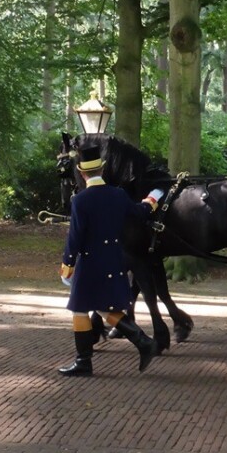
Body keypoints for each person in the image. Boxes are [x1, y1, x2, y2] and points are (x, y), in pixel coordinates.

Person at [57, 145, 164, 377]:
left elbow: (75, 237)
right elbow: (140, 212)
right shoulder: (118, 195)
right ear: (102, 170)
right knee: (104, 308)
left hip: (89, 263)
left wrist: (67, 263)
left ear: (82, 172)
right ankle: (143, 342)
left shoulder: (80, 200)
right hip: (114, 260)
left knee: (80, 310)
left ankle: (83, 361)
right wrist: (153, 198)